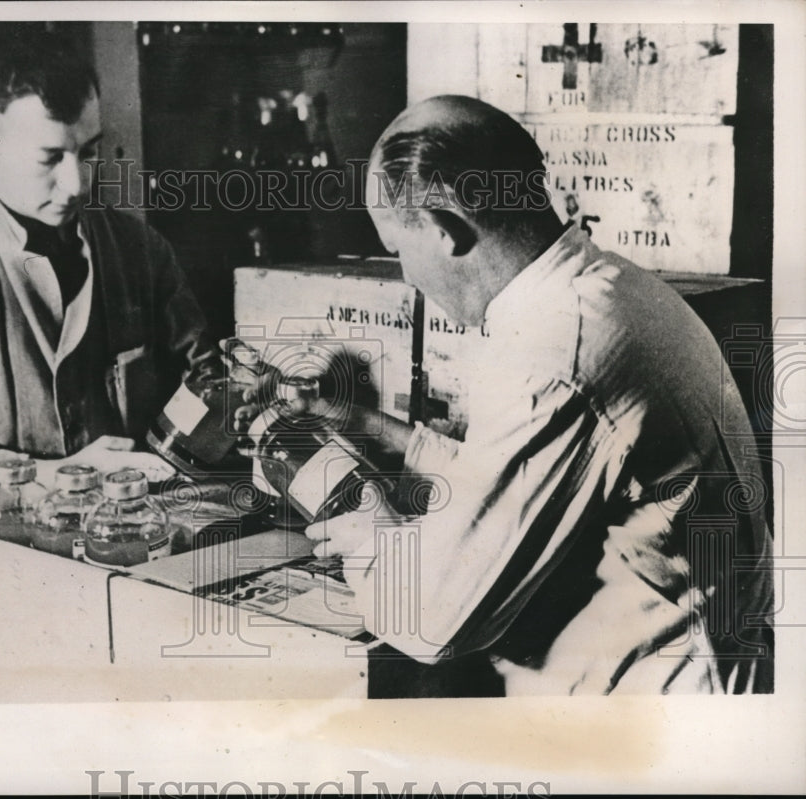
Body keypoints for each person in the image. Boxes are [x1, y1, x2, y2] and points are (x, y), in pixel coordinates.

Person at [298, 95, 774, 695]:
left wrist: (366, 531)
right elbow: (515, 473)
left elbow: (434, 624)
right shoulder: (604, 288)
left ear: (445, 231)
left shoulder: (555, 352)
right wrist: (369, 425)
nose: (407, 278)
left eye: (398, 251)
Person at [0, 28, 214, 525]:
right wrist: (48, 478)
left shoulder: (142, 251)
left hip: (133, 547)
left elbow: (204, 381)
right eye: (49, 158)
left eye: (88, 152)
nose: (76, 184)